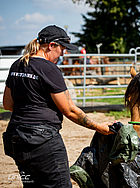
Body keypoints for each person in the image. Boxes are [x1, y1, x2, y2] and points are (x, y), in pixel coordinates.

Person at [2, 25, 113, 187]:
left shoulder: (17, 65)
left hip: (16, 140)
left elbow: (7, 104)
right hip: (43, 141)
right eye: (62, 48)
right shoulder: (49, 69)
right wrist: (99, 127)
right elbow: (69, 110)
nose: (64, 53)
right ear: (51, 45)